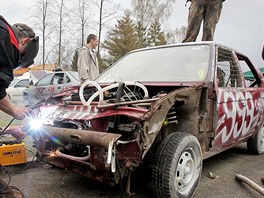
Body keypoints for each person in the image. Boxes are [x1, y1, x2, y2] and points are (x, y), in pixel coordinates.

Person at [0, 15, 39, 198]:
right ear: (24, 41)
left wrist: (10, 130)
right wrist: (15, 111)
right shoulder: (5, 39)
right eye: (20, 56)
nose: (16, 60)